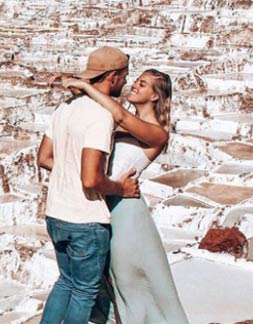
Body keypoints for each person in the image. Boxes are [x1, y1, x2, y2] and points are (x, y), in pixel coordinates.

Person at [62, 69, 189, 324]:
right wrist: (79, 89)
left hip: (127, 212)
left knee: (131, 279)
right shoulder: (123, 124)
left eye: (143, 84)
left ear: (155, 96)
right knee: (110, 278)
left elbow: (117, 113)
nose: (135, 86)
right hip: (107, 206)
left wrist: (86, 87)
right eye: (136, 81)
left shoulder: (157, 133)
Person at [37, 46, 140, 324]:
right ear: (113, 77)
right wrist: (122, 188)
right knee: (84, 291)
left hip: (56, 213)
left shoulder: (65, 107)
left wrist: (69, 171)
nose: (126, 82)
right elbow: (91, 178)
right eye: (125, 76)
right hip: (85, 219)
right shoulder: (100, 115)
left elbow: (44, 158)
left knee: (66, 282)